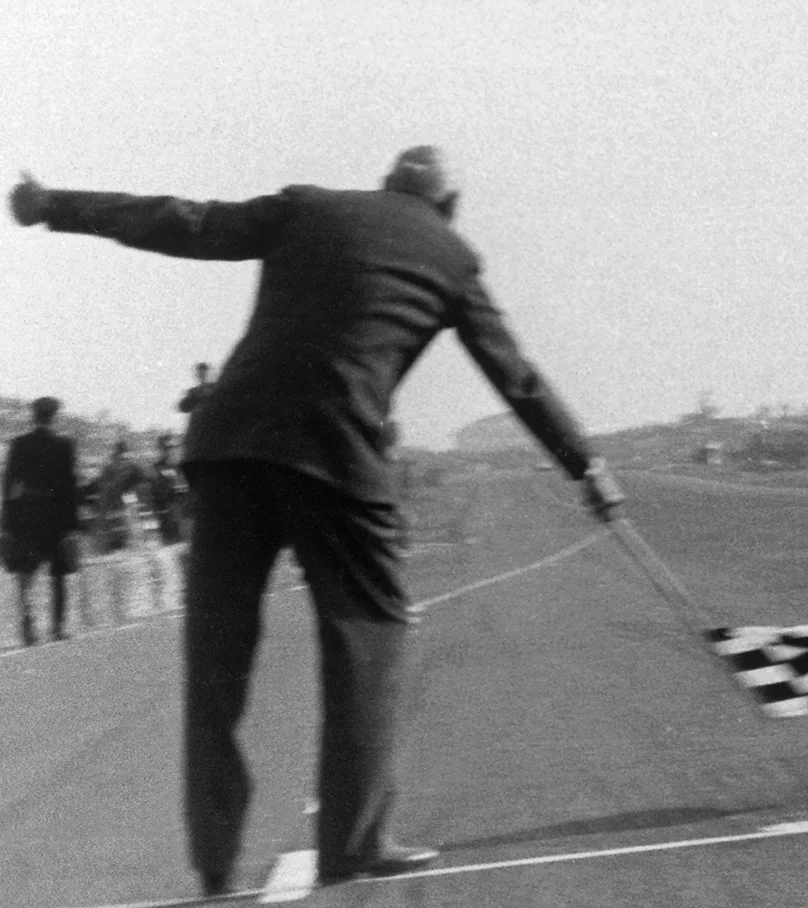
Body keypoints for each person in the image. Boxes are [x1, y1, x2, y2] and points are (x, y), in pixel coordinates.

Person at [10, 146, 627, 897]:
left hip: (229, 448)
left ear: (386, 187)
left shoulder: (309, 206)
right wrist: (584, 465)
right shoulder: (453, 257)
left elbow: (184, 221)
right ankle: (355, 843)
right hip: (337, 455)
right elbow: (517, 377)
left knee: (215, 665)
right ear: (449, 204)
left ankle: (213, 862)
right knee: (371, 637)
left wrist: (54, 206)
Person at [2, 397, 82, 645]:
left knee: (26, 571)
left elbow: (9, 486)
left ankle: (28, 624)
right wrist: (72, 525)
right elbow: (70, 488)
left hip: (27, 515)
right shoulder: (65, 446)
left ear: (33, 416)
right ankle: (57, 627)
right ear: (53, 416)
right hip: (56, 516)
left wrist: (7, 522)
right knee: (58, 573)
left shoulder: (19, 444)